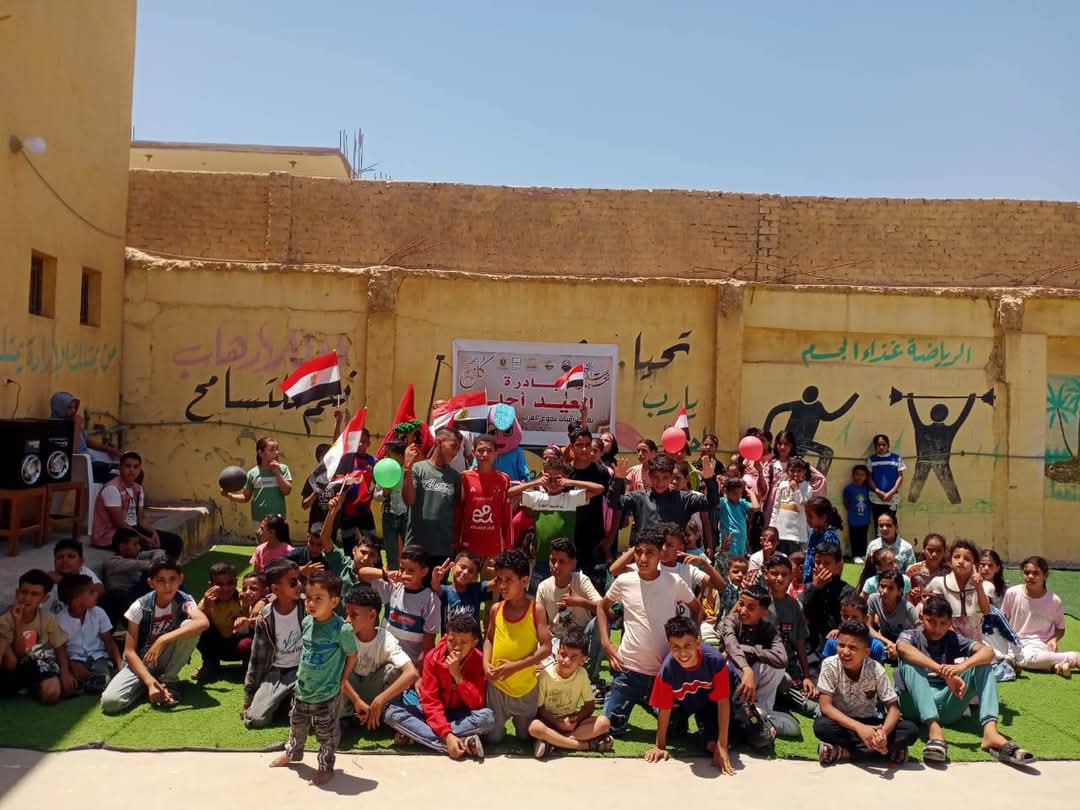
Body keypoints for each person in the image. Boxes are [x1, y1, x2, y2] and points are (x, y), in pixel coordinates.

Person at [896, 595, 1036, 766]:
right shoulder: (911, 635)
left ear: (950, 623)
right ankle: (934, 730)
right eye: (931, 621)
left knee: (983, 665)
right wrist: (943, 671)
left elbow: (988, 652)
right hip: (913, 706)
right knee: (909, 663)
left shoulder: (953, 638)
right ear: (921, 617)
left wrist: (961, 667)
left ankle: (990, 732)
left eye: (943, 623)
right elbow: (902, 648)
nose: (937, 628)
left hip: (947, 706)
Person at [597, 527, 700, 736]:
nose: (643, 559)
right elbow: (601, 606)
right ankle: (622, 694)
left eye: (650, 552)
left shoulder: (674, 582)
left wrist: (692, 642)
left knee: (676, 730)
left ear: (660, 553)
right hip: (628, 670)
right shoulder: (625, 581)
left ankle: (648, 700)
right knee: (609, 727)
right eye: (638, 552)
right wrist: (607, 644)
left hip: (663, 673)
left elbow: (697, 609)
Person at [270, 571, 358, 786]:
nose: (311, 603)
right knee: (297, 724)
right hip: (302, 689)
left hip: (326, 693)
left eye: (319, 598)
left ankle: (325, 768)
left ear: (334, 601)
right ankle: (293, 753)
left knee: (326, 733)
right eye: (308, 597)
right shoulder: (307, 621)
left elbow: (352, 655)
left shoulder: (342, 629)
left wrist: (342, 680)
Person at [100, 559, 210, 713]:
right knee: (110, 702)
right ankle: (152, 684)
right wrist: (149, 682)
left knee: (190, 625)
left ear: (180, 579)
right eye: (161, 581)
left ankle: (169, 680)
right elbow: (130, 652)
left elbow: (203, 622)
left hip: (166, 656)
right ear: (151, 583)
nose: (167, 586)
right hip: (141, 661)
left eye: (172, 579)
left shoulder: (184, 600)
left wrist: (162, 639)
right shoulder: (139, 607)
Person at [383, 614, 492, 760]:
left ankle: (420, 736)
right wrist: (447, 736)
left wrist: (457, 676)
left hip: (461, 714)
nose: (456, 647)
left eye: (463, 642)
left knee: (487, 718)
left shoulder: (479, 660)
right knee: (391, 712)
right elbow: (430, 702)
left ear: (474, 642)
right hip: (433, 714)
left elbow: (477, 703)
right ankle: (459, 742)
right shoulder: (433, 658)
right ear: (445, 637)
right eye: (452, 641)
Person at [815, 619, 918, 765]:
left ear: (866, 652)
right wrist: (860, 728)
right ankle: (886, 752)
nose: (845, 652)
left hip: (870, 722)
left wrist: (883, 733)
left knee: (910, 730)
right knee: (821, 726)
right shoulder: (829, 665)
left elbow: (894, 709)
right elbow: (825, 707)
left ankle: (844, 752)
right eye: (841, 645)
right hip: (843, 723)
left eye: (852, 648)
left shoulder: (876, 669)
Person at [644, 615, 735, 773]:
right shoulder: (667, 670)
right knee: (673, 730)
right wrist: (660, 746)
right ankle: (646, 700)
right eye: (676, 647)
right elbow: (665, 708)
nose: (683, 653)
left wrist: (722, 745)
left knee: (714, 744)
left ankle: (708, 730)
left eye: (688, 645)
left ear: (698, 642)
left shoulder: (715, 661)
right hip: (683, 702)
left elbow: (722, 701)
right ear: (669, 645)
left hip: (709, 702)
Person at [484, 548, 552, 743]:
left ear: (524, 581)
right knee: (493, 738)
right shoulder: (496, 609)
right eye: (499, 580)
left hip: (525, 687)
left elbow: (546, 648)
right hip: (497, 687)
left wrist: (515, 666)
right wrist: (485, 664)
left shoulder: (536, 610)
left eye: (508, 580)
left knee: (526, 736)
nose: (502, 585)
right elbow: (489, 639)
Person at [510, 458, 606, 592]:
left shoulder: (571, 497)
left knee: (564, 595)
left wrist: (571, 482)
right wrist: (536, 482)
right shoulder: (537, 497)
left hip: (565, 560)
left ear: (564, 478)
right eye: (549, 479)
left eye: (558, 479)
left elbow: (599, 489)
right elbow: (509, 493)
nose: (553, 483)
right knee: (538, 595)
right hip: (542, 558)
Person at [720, 584, 797, 738]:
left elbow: (782, 658)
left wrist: (749, 650)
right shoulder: (731, 621)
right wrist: (746, 669)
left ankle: (759, 709)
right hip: (734, 675)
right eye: (741, 604)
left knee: (777, 667)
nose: (742, 611)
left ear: (763, 612)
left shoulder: (768, 629)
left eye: (750, 608)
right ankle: (736, 709)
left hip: (754, 679)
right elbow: (730, 645)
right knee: (726, 660)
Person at [341, 586, 419, 730]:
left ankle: (383, 714)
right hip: (350, 693)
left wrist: (380, 700)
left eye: (354, 615)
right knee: (336, 670)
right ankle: (344, 718)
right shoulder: (344, 635)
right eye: (347, 613)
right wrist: (356, 700)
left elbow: (412, 673)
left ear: (372, 615)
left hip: (374, 690)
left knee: (394, 671)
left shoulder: (385, 639)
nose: (347, 620)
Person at [529, 628, 613, 757]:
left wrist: (576, 718)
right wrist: (558, 723)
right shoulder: (545, 676)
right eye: (563, 654)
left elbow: (589, 705)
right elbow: (538, 709)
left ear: (583, 660)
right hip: (549, 722)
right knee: (534, 727)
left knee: (604, 723)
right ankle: (587, 745)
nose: (566, 661)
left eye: (573, 657)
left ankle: (553, 742)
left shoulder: (582, 674)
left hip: (571, 723)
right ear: (557, 652)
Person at [352, 545, 440, 668]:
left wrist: (418, 671)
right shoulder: (393, 587)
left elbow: (428, 645)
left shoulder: (429, 599)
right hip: (381, 660)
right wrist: (385, 574)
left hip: (408, 664)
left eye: (411, 571)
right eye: (402, 569)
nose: (404, 574)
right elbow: (362, 573)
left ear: (424, 572)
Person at [242, 560, 305, 729]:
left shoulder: (307, 608)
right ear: (276, 589)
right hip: (276, 672)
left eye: (300, 580)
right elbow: (257, 660)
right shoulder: (265, 617)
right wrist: (249, 699)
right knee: (255, 719)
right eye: (293, 582)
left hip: (304, 671)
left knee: (311, 717)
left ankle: (290, 700)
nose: (299, 585)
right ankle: (283, 700)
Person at [608, 453, 719, 544]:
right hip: (645, 557)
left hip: (674, 559)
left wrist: (709, 479)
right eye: (656, 477)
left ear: (671, 477)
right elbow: (613, 502)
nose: (660, 482)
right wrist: (618, 480)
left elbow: (712, 503)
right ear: (649, 475)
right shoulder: (638, 498)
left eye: (665, 477)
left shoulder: (684, 499)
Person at [535, 537, 604, 683]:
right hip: (559, 638)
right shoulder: (543, 587)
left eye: (562, 561)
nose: (555, 566)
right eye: (553, 560)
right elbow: (539, 623)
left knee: (600, 621)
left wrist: (580, 602)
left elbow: (604, 609)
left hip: (583, 636)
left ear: (573, 563)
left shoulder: (580, 580)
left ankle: (590, 676)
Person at [92, 451, 183, 559]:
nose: (132, 470)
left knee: (175, 541)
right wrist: (143, 538)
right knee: (145, 546)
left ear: (140, 470)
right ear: (120, 468)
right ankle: (154, 568)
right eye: (128, 466)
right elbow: (120, 524)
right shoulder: (112, 488)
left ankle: (168, 568)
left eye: (135, 467)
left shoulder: (138, 489)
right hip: (111, 534)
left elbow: (141, 520)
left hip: (132, 530)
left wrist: (153, 533)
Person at [0, 570, 73, 704]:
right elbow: (19, 653)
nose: (27, 598)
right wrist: (18, 623)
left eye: (34, 594)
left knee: (51, 694)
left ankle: (33, 686)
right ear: (17, 593)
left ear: (44, 598)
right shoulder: (6, 619)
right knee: (3, 643)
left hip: (39, 662)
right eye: (24, 592)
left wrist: (65, 672)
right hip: (15, 666)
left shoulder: (48, 618)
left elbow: (59, 647)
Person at [1001, 556, 1079, 677]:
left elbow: (1060, 628)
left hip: (1038, 645)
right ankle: (1057, 667)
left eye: (1036, 573)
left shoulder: (1054, 601)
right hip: (1013, 643)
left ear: (1045, 575)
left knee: (1026, 658)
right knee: (992, 653)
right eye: (1027, 572)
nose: (1030, 576)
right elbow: (1002, 619)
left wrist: (1053, 640)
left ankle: (1073, 657)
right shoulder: (1012, 593)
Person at [762, 555, 816, 716]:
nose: (779, 578)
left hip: (788, 665)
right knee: (785, 682)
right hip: (763, 664)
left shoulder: (795, 605)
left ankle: (785, 697)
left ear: (791, 577)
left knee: (811, 694)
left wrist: (806, 676)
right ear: (766, 574)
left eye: (784, 574)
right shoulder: (758, 601)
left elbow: (800, 643)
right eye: (774, 573)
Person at [403, 427, 463, 567]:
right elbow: (409, 500)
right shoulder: (417, 469)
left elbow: (457, 510)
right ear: (438, 442)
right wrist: (407, 469)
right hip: (416, 546)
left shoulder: (455, 477)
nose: (455, 452)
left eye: (458, 449)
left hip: (442, 548)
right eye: (453, 446)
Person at [56, 574, 122, 694]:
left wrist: (120, 664)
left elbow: (109, 641)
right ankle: (84, 682)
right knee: (68, 682)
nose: (96, 594)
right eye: (91, 592)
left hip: (97, 658)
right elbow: (61, 649)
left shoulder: (99, 612)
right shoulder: (60, 619)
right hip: (73, 660)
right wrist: (69, 668)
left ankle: (86, 682)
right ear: (76, 599)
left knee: (103, 677)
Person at [566, 428, 612, 591]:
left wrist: (609, 537)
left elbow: (613, 506)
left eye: (587, 444)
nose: (584, 449)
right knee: (567, 589)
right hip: (569, 538)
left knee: (594, 589)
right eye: (579, 445)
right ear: (571, 447)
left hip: (594, 539)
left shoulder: (602, 472)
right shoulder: (564, 473)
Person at [457, 433, 513, 560]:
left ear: (496, 453)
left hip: (494, 549)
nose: (485, 454)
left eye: (489, 451)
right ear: (473, 452)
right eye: (481, 450)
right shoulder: (465, 477)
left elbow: (507, 516)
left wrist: (509, 546)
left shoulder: (504, 479)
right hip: (468, 548)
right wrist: (456, 542)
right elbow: (458, 513)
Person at [221, 436, 292, 535]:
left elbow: (287, 491)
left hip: (278, 519)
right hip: (259, 519)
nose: (276, 453)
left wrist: (276, 472)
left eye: (277, 449)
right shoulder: (252, 473)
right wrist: (229, 495)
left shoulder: (283, 469)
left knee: (279, 544)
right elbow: (246, 497)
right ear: (260, 453)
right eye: (272, 449)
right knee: (262, 544)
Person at [927, 539, 992, 640]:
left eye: (967, 559)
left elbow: (986, 611)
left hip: (975, 641)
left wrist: (979, 587)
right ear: (950, 560)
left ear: (974, 564)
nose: (961, 562)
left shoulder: (986, 586)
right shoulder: (938, 583)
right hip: (944, 639)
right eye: (956, 557)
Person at [50, 391, 124, 482]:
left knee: (128, 471)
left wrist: (109, 449)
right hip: (79, 468)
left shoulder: (70, 422)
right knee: (121, 476)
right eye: (69, 408)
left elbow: (86, 442)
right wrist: (77, 426)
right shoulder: (55, 426)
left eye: (74, 407)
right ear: (59, 408)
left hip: (91, 463)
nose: (73, 411)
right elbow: (72, 452)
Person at [756, 431, 826, 523]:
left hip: (790, 502)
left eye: (786, 444)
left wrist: (804, 489)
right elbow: (764, 488)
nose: (782, 447)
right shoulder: (771, 463)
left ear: (792, 445)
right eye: (780, 444)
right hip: (771, 504)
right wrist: (760, 472)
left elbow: (820, 478)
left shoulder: (797, 463)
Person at [194, 562, 247, 680]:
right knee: (198, 625)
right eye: (219, 584)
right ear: (211, 585)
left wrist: (262, 601)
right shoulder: (207, 601)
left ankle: (250, 667)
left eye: (230, 583)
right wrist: (207, 607)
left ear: (236, 582)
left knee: (248, 630)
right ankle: (210, 664)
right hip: (218, 647)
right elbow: (193, 624)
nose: (225, 589)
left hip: (241, 647)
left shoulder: (244, 597)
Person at [802, 543, 855, 655]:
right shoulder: (808, 588)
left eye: (827, 563)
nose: (821, 567)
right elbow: (799, 609)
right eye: (818, 562)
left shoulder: (847, 591)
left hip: (836, 645)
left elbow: (852, 620)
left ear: (837, 565)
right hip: (811, 647)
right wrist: (814, 587)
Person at [101, 528, 165, 623]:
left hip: (136, 594)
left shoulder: (135, 555)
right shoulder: (113, 562)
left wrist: (156, 562)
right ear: (122, 547)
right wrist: (156, 563)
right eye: (135, 544)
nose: (139, 547)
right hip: (121, 598)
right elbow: (144, 565)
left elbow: (159, 551)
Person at [430, 551, 492, 630]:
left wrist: (500, 570)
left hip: (473, 638)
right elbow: (435, 587)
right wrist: (435, 579)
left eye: (471, 571)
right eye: (462, 567)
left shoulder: (477, 590)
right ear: (453, 566)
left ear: (475, 576)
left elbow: (496, 583)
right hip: (449, 638)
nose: (465, 572)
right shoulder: (445, 591)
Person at [43, 538, 104, 615]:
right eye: (59, 557)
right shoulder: (48, 581)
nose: (65, 560)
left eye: (71, 556)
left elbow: (100, 589)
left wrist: (63, 581)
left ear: (81, 561)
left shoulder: (83, 570)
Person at [376, 438, 410, 570]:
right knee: (391, 552)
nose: (386, 457)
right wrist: (384, 493)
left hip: (406, 515)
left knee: (409, 551)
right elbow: (376, 496)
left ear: (401, 456)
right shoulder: (385, 470)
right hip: (389, 514)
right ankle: (392, 575)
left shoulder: (410, 471)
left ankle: (408, 574)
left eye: (390, 454)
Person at [822, 596, 887, 663]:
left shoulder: (876, 646)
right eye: (845, 616)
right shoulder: (832, 642)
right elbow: (826, 666)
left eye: (854, 617)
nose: (849, 620)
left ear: (865, 619)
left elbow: (879, 668)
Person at [769, 458, 812, 554]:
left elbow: (802, 508)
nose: (795, 474)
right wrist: (772, 527)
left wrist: (796, 489)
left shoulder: (807, 488)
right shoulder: (782, 485)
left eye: (799, 471)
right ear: (787, 471)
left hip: (796, 535)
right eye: (792, 471)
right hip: (780, 532)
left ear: (804, 472)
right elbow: (776, 508)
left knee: (793, 559)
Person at [867, 571, 919, 649]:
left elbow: (920, 631)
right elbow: (868, 626)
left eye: (890, 588)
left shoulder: (908, 607)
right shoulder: (873, 599)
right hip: (883, 639)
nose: (884, 591)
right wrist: (888, 642)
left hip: (904, 643)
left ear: (899, 591)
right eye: (882, 586)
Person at [287, 513, 346, 578]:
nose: (315, 548)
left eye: (319, 545)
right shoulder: (298, 554)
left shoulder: (329, 559)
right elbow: (279, 566)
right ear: (307, 537)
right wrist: (300, 570)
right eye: (311, 543)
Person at [803, 496, 843, 585]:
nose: (807, 519)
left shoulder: (829, 537)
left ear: (823, 517)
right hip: (810, 581)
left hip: (824, 582)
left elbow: (836, 563)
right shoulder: (813, 532)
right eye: (806, 515)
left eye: (810, 516)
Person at [717, 476, 757, 566]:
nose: (738, 496)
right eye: (735, 493)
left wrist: (751, 492)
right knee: (729, 566)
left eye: (740, 493)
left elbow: (756, 507)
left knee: (739, 566)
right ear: (726, 491)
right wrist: (720, 487)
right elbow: (714, 501)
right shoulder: (723, 503)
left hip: (741, 542)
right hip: (729, 542)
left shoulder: (742, 503)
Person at [300, 442, 334, 532]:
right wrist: (316, 492)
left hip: (333, 524)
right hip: (316, 525)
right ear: (322, 458)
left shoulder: (337, 478)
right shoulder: (312, 480)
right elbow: (304, 505)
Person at [843, 464, 873, 564]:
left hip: (865, 518)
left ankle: (863, 554)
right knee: (854, 537)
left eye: (862, 475)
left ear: (866, 477)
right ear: (853, 475)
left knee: (863, 537)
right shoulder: (848, 488)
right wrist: (853, 510)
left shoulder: (867, 488)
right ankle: (855, 555)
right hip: (853, 518)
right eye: (857, 474)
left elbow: (869, 502)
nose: (859, 477)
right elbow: (846, 502)